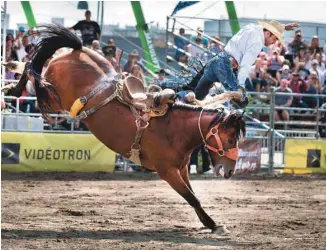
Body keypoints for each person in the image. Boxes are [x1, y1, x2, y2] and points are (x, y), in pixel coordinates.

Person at [191, 20, 299, 108]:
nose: (274, 42)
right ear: (267, 33)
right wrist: (240, 86)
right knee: (242, 101)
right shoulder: (257, 43)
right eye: (274, 38)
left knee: (196, 96)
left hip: (217, 60)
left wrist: (282, 27)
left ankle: (188, 102)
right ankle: (215, 108)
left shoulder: (252, 27)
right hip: (224, 66)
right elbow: (246, 65)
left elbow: (266, 28)